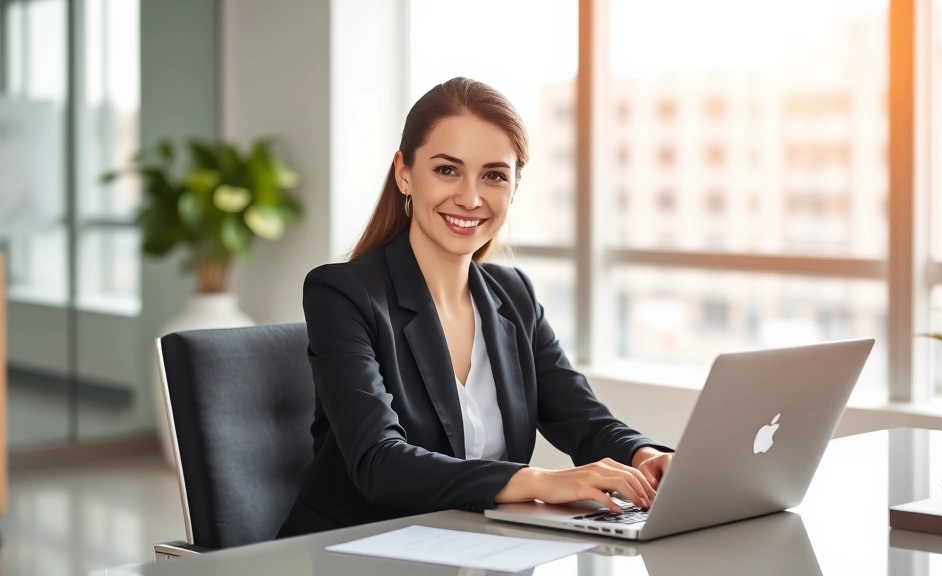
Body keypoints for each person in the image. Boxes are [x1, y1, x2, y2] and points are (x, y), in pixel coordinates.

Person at [277, 77, 674, 538]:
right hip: (360, 551)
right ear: (404, 172)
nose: (470, 198)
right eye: (447, 170)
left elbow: (582, 418)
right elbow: (378, 461)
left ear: (514, 186)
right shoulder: (342, 293)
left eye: (494, 175)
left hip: (477, 549)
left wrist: (645, 455)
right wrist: (540, 482)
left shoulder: (513, 295)